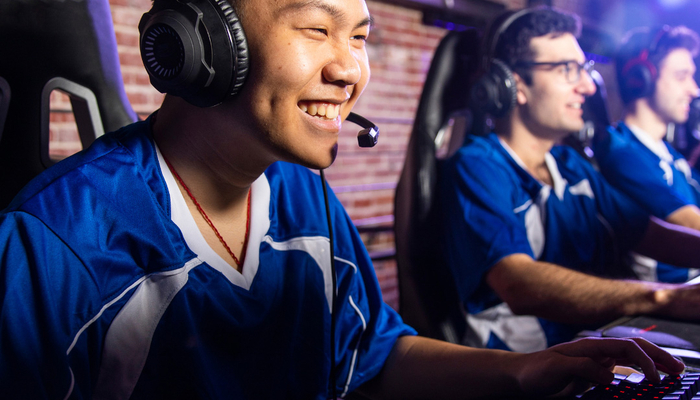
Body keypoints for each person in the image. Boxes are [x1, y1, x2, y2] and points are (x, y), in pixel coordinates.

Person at [0, 1, 686, 399]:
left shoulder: (304, 195)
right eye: (316, 29)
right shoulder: (58, 242)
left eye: (359, 37)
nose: (350, 70)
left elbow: (371, 356)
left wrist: (522, 373)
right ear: (202, 46)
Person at [439, 6, 700, 354]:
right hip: (521, 372)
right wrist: (662, 297)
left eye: (584, 69)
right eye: (568, 70)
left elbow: (648, 234)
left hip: (589, 355)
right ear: (513, 83)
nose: (588, 86)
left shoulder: (571, 165)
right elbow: (518, 282)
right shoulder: (478, 166)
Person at [593, 25, 700, 283]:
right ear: (641, 78)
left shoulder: (668, 154)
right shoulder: (621, 153)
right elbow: (691, 224)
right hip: (669, 299)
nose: (694, 90)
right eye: (681, 76)